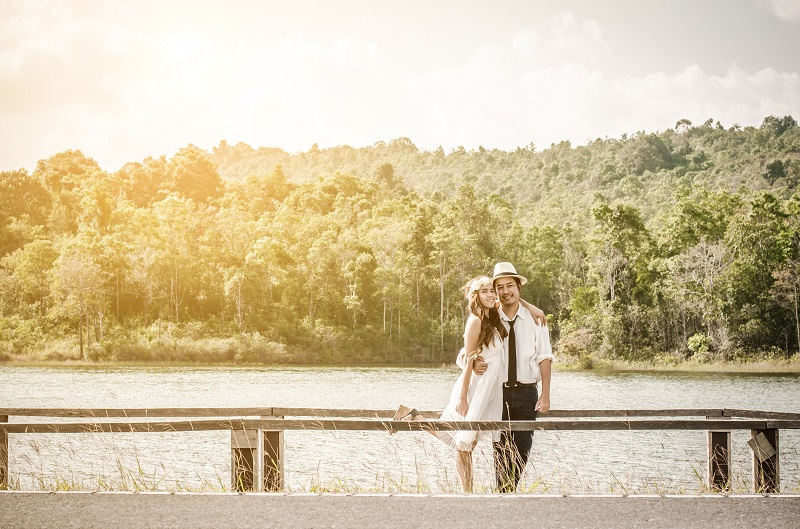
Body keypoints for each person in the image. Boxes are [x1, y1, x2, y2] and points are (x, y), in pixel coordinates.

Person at [394, 274, 546, 493]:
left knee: (467, 442)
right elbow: (467, 360)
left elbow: (510, 297)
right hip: (474, 387)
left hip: (488, 390)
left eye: (491, 290)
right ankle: (467, 493)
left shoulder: (491, 316)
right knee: (463, 444)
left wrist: (531, 307)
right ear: (475, 295)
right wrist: (463, 397)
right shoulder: (475, 320)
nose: (491, 294)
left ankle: (414, 416)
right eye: (484, 291)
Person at [466, 261, 554, 493]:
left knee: (522, 451)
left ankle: (505, 495)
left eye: (510, 286)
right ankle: (503, 497)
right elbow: (467, 349)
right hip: (499, 393)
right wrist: (473, 361)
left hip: (527, 395)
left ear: (518, 288)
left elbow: (545, 357)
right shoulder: (490, 318)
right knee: (502, 453)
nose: (506, 291)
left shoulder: (536, 319)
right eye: (500, 287)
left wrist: (545, 395)